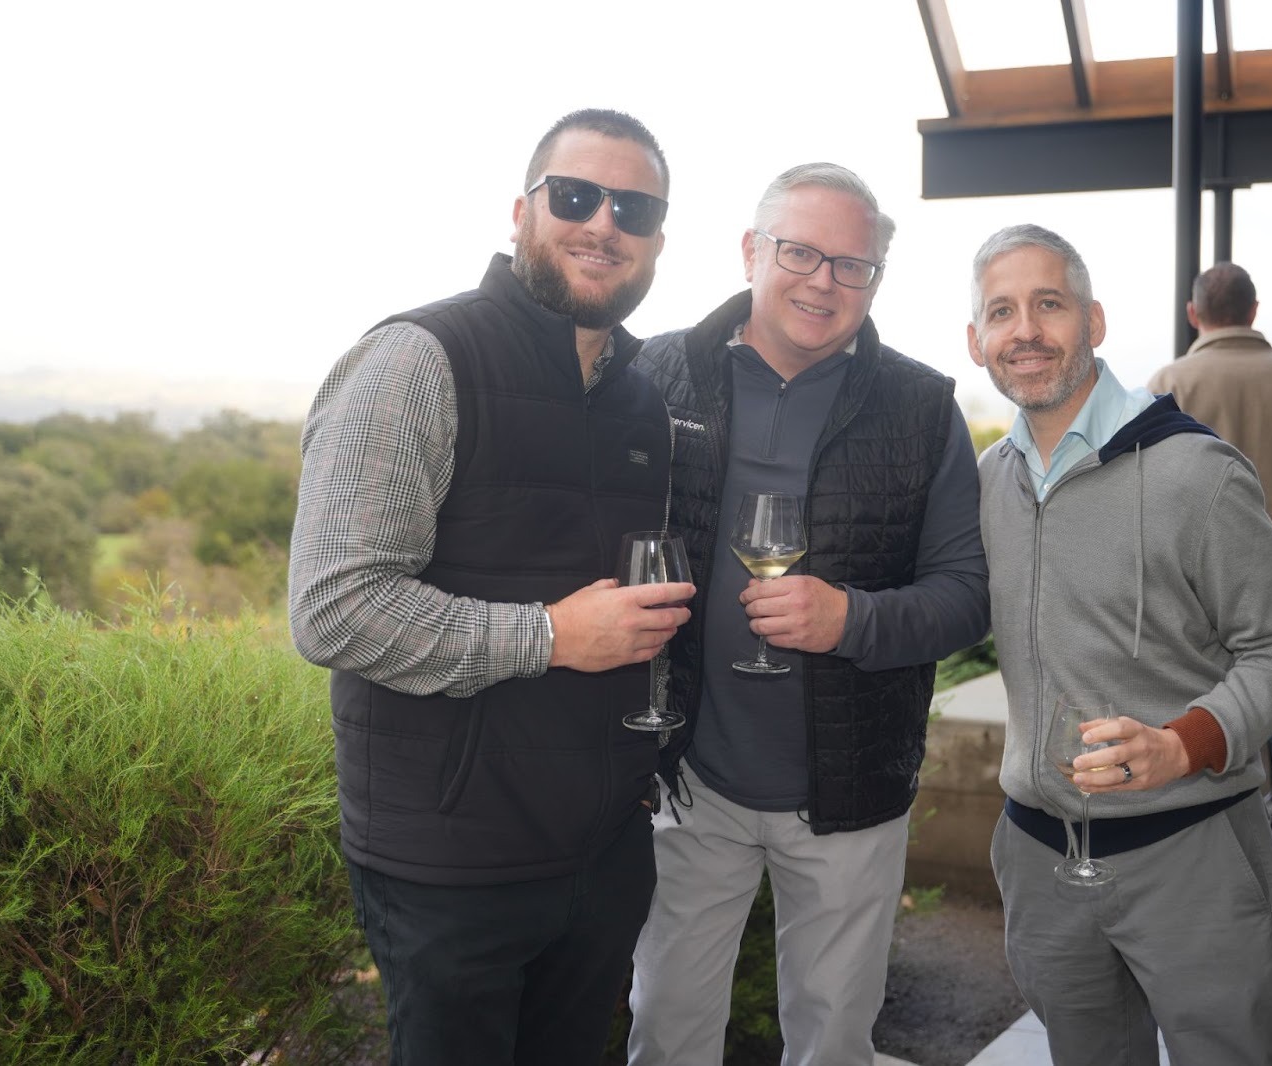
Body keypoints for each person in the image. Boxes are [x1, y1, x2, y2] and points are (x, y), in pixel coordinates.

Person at [288, 109, 694, 1065]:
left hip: (601, 853)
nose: (605, 224)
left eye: (634, 209)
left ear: (656, 240)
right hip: (451, 866)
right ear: (522, 212)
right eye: (577, 196)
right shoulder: (419, 359)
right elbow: (334, 607)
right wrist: (549, 636)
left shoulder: (641, 398)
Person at [627, 163, 990, 1066]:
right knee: (665, 1031)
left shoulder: (923, 409)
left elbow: (967, 595)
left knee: (833, 1043)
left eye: (851, 265)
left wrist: (850, 622)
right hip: (687, 782)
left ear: (875, 280)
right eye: (800, 253)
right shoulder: (653, 374)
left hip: (850, 793)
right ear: (752, 251)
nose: (824, 282)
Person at [969, 223, 1272, 1065]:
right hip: (1042, 862)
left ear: (1093, 321)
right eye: (1001, 311)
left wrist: (1183, 743)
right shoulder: (988, 483)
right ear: (976, 341)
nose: (1026, 330)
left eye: (1049, 304)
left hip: (1190, 853)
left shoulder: (1197, 472)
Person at [1147, 263, 1272, 930]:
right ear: (1254, 310)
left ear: (1193, 313)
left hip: (1186, 612)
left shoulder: (1169, 382)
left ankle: (1207, 906)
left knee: (1192, 749)